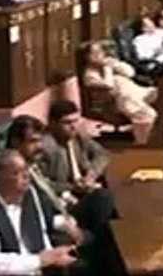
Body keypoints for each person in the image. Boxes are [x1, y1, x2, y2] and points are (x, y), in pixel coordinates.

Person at [0, 149, 79, 276]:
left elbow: (43, 232)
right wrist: (38, 261)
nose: (26, 176)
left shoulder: (30, 194)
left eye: (25, 169)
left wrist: (56, 254)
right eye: (17, 172)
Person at [39, 100, 116, 234]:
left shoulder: (77, 137)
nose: (73, 126)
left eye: (76, 121)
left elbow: (102, 154)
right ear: (52, 123)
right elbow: (43, 185)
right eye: (67, 122)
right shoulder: (46, 147)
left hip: (84, 191)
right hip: (66, 202)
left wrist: (91, 175)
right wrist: (73, 187)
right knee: (104, 199)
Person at [80, 42, 158, 144]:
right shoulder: (90, 75)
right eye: (95, 53)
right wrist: (106, 68)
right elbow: (108, 85)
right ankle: (143, 144)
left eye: (101, 51)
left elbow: (130, 73)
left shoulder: (110, 63)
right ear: (87, 57)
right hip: (122, 100)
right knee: (148, 115)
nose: (101, 54)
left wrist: (116, 64)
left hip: (139, 91)